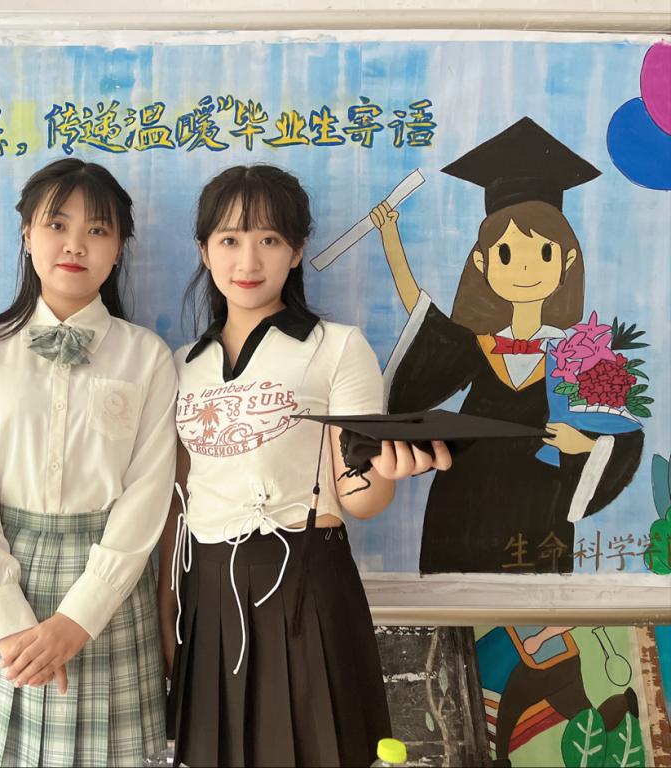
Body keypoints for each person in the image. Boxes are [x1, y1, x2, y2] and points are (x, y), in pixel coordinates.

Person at [161, 164, 452, 767]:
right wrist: (168, 613)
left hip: (307, 582)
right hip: (207, 589)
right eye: (230, 240)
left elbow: (360, 497)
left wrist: (388, 470)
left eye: (269, 239)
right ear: (205, 250)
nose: (248, 260)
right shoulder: (181, 363)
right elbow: (176, 503)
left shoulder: (338, 346)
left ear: (296, 251)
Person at [0, 158, 176, 767]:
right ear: (27, 235)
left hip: (107, 588)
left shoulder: (148, 357)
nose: (75, 244)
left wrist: (78, 619)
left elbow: (149, 497)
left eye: (98, 230)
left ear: (119, 248)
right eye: (56, 225)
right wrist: (6, 620)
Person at [372, 117, 643, 574]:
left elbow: (620, 434)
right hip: (465, 495)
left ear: (566, 261)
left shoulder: (580, 355)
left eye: (543, 253)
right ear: (482, 263)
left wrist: (582, 444)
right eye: (506, 254)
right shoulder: (477, 344)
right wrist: (391, 239)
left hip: (541, 501)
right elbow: (423, 314)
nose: (524, 268)